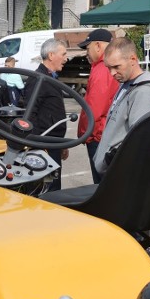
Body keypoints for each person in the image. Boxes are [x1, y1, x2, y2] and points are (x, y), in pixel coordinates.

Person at [93, 37, 150, 175]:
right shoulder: (126, 84)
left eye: (117, 67)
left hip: (121, 172)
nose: (112, 73)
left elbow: (139, 141)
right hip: (112, 170)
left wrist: (110, 159)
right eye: (109, 68)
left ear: (133, 60)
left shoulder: (143, 92)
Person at [76, 28, 118, 183]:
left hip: (98, 137)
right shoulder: (109, 67)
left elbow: (94, 109)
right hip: (106, 134)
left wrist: (85, 134)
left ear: (98, 46)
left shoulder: (102, 70)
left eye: (88, 48)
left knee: (101, 185)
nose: (86, 53)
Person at [27, 38, 70, 191]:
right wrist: (38, 146)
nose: (66, 58)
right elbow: (29, 114)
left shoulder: (51, 77)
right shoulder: (38, 79)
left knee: (55, 187)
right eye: (63, 54)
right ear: (51, 55)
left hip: (54, 143)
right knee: (49, 190)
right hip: (45, 145)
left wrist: (62, 143)